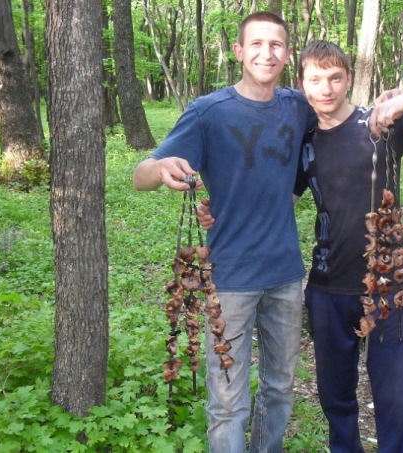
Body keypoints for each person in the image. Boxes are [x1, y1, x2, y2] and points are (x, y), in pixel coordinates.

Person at [198, 40, 403, 452]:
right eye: (316, 79)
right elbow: (279, 199)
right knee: (335, 395)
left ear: (349, 79)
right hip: (326, 287)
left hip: (385, 285)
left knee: (395, 396)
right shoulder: (302, 142)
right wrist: (220, 209)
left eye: (335, 78)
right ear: (302, 84)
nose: (326, 88)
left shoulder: (380, 124)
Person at [133, 12, 316, 453]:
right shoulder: (208, 112)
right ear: (238, 51)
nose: (266, 53)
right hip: (230, 277)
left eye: (276, 45)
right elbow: (140, 176)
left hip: (286, 273)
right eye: (256, 44)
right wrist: (160, 168)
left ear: (287, 54)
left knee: (280, 388)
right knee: (228, 401)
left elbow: (329, 137)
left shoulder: (299, 107)